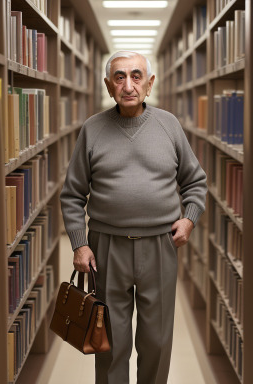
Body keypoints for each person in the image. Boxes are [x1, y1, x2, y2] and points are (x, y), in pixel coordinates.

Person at [60, 51, 207, 384]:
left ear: (150, 83)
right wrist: (80, 244)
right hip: (106, 248)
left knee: (157, 339)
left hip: (160, 245)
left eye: (136, 76)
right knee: (111, 341)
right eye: (120, 77)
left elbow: (195, 181)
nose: (128, 85)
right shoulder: (92, 129)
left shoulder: (169, 125)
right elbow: (71, 195)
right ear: (108, 85)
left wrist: (189, 219)